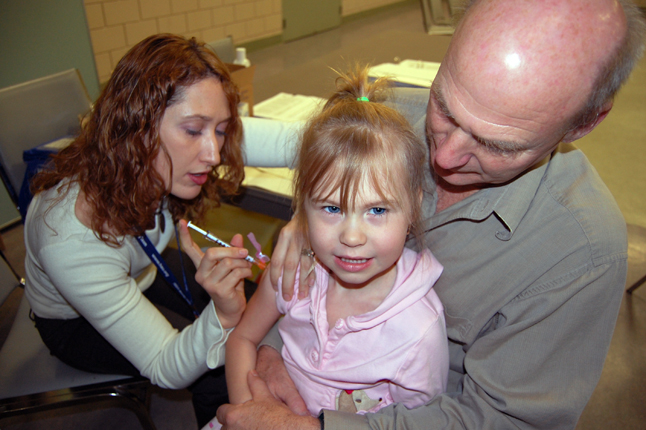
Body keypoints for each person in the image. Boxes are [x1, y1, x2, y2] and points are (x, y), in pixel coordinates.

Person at [216, 0, 646, 429]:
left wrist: (312, 426)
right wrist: (299, 234)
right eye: (444, 106)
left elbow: (504, 421)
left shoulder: (581, 252)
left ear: (583, 124)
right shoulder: (391, 113)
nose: (444, 155)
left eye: (498, 145)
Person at [23, 34, 253, 428]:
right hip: (71, 322)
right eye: (195, 130)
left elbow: (289, 142)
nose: (214, 155)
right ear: (138, 128)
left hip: (139, 267)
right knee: (211, 369)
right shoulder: (71, 239)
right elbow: (166, 366)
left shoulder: (130, 157)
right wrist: (222, 314)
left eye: (220, 130)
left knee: (244, 296)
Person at [204, 68, 448, 429]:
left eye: (377, 210)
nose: (351, 236)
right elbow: (242, 337)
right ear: (303, 207)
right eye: (332, 209)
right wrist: (249, 414)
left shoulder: (419, 331)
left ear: (413, 207)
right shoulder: (295, 271)